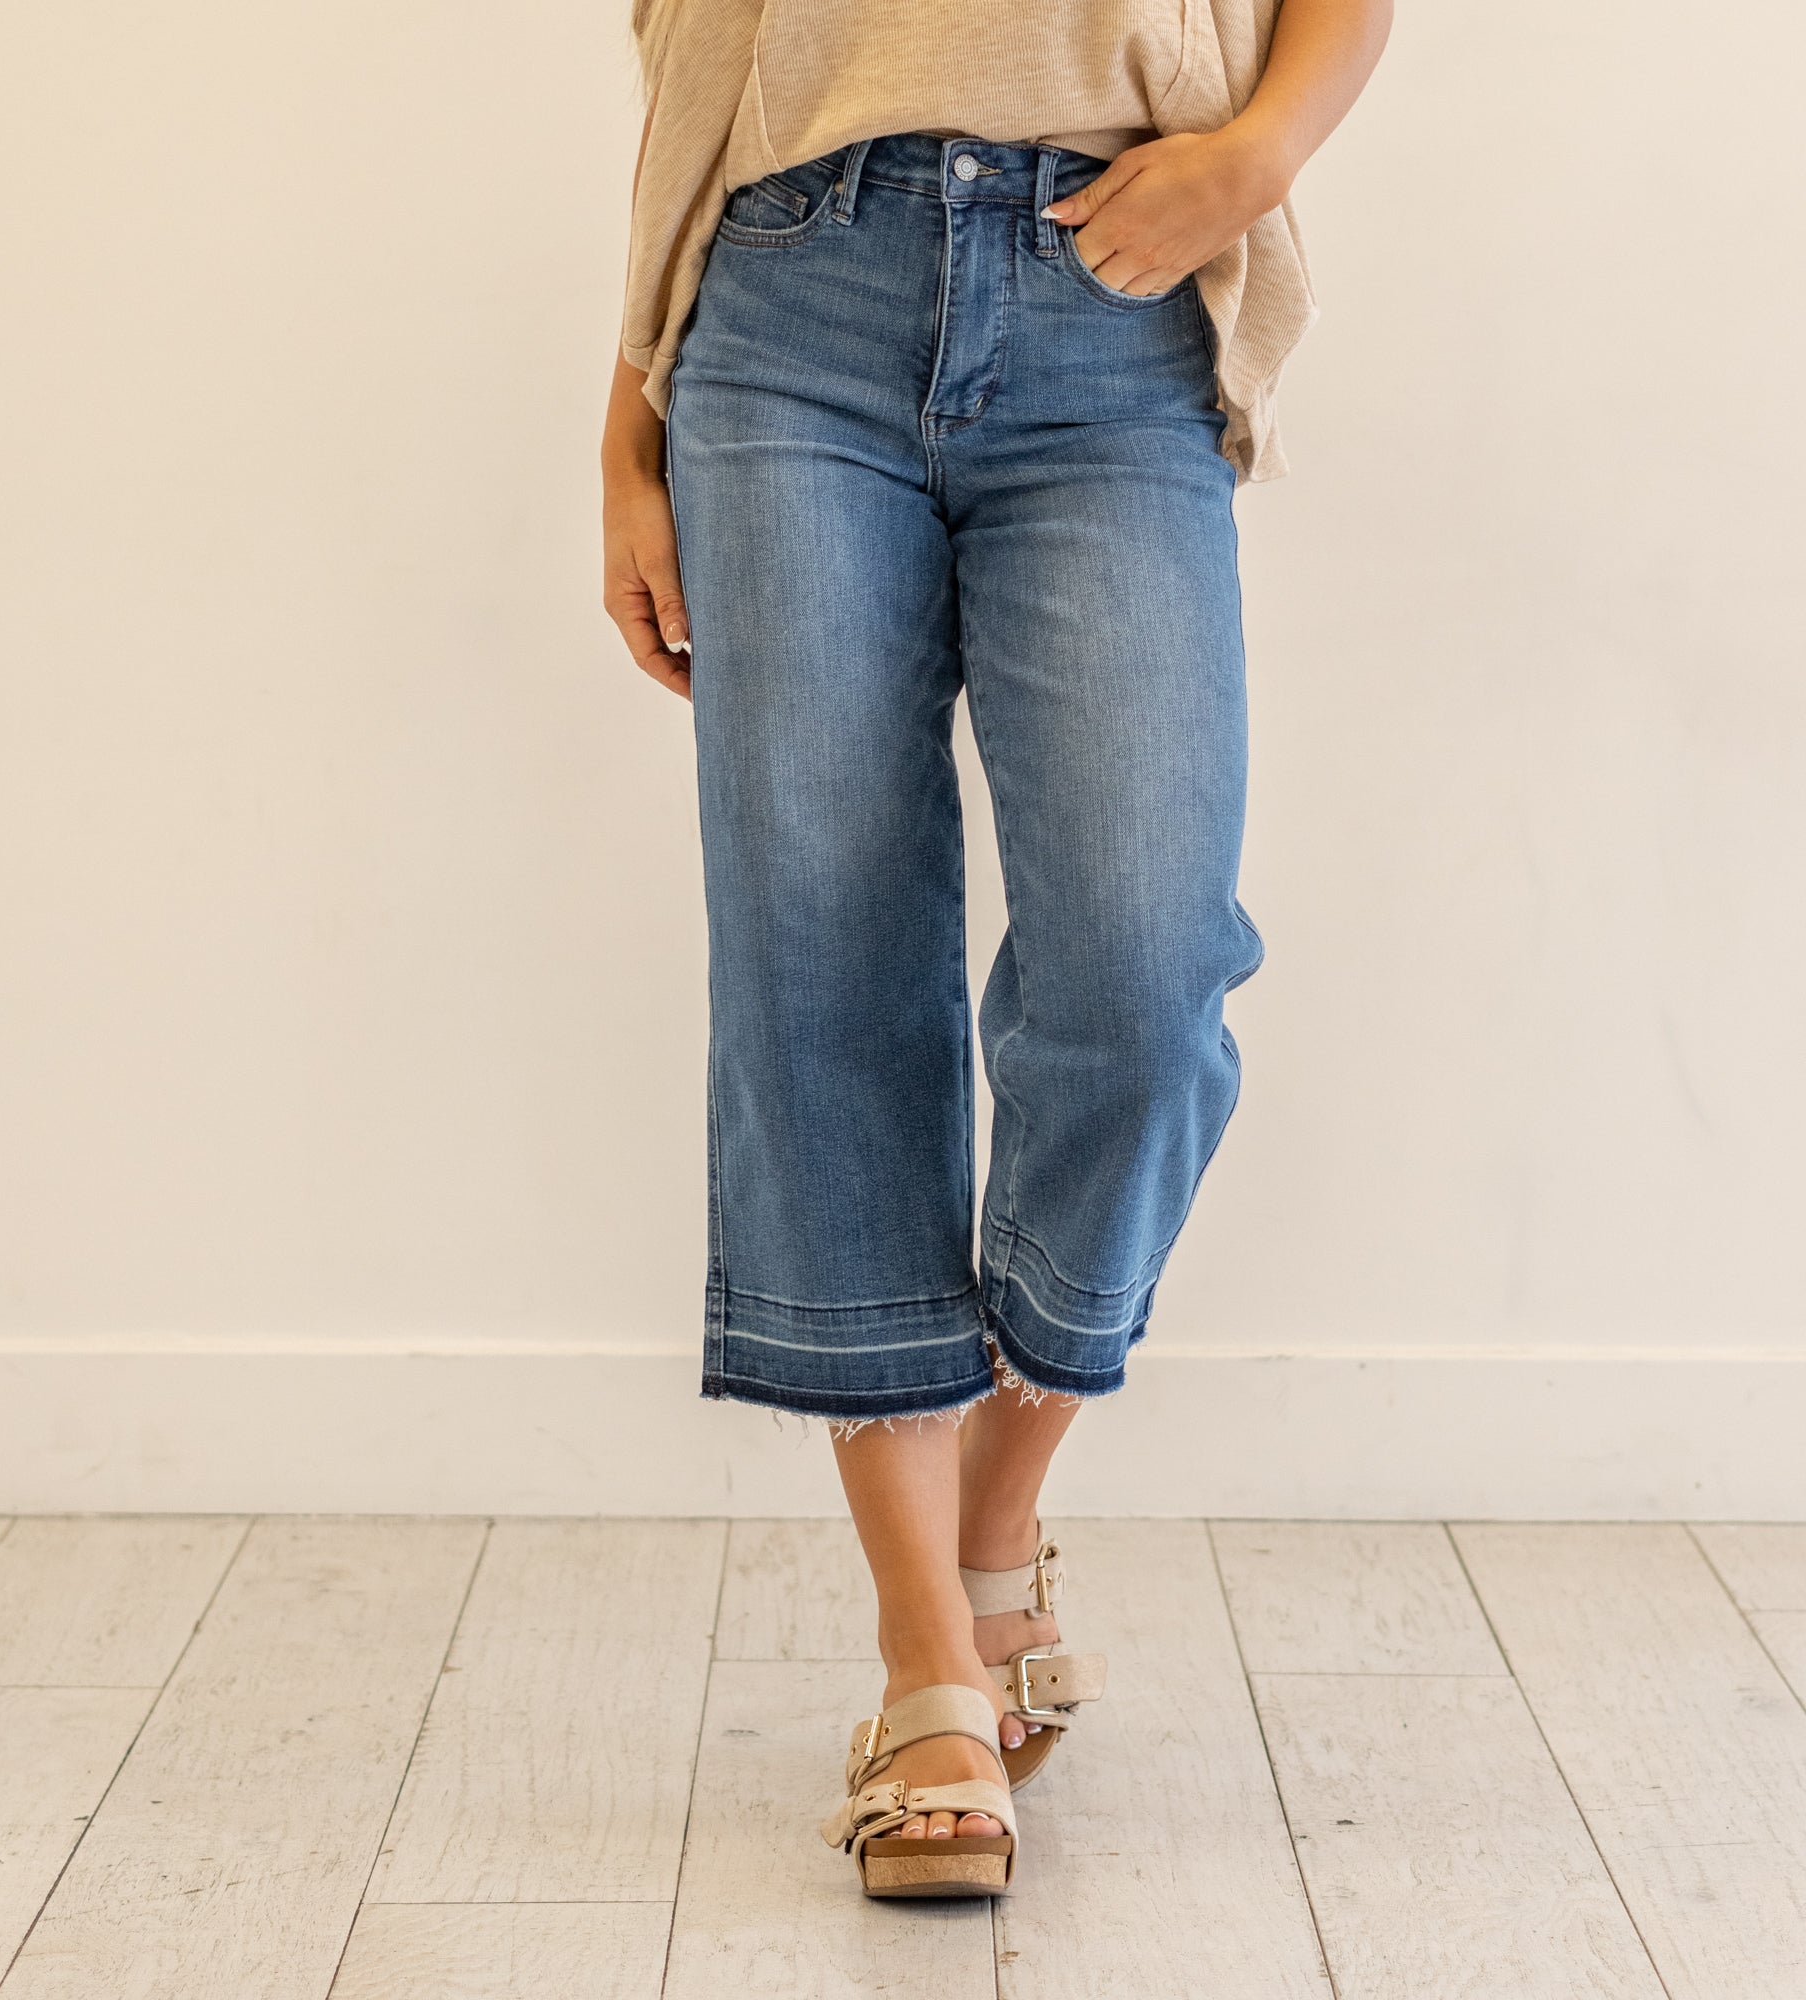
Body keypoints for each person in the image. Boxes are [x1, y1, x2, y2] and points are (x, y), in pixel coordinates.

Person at [602, 0, 1391, 1899]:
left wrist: (1256, 157)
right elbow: (693, 62)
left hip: (1113, 299)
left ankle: (993, 1519)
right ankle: (927, 1663)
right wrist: (629, 419)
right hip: (783, 312)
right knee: (818, 964)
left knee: (1146, 970)